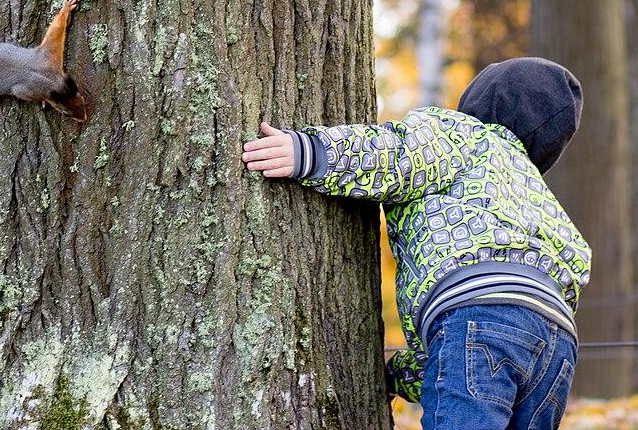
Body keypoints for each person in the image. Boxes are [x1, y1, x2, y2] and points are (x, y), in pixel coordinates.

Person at [242, 57, 590, 429]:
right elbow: (502, 341)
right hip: (559, 346)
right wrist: (399, 373)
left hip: (476, 311)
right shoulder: (543, 202)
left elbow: (395, 154)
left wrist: (309, 153)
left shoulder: (460, 134)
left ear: (481, 97)